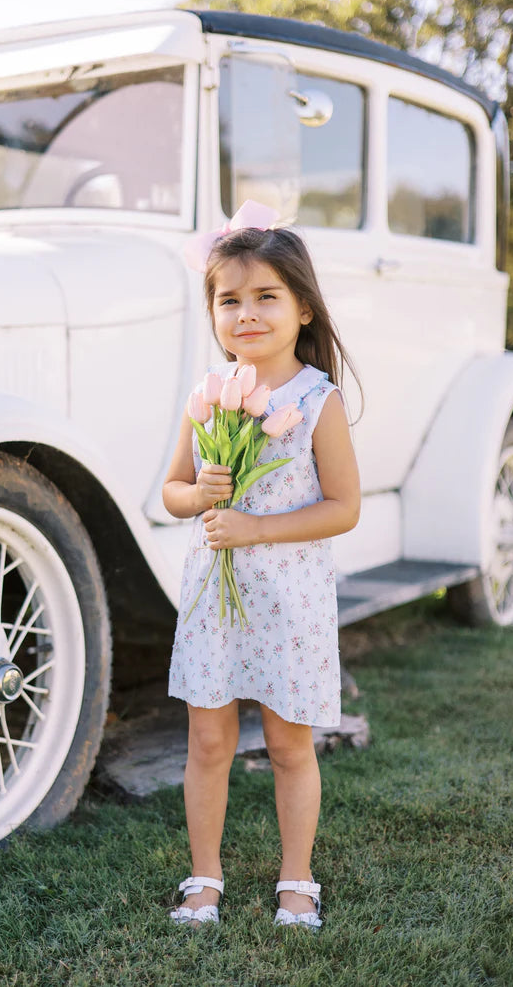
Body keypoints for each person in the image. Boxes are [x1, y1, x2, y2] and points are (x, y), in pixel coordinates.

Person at [162, 207, 362, 930]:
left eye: (266, 296)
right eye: (230, 300)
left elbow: (344, 507)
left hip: (290, 599)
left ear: (302, 306)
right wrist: (200, 496)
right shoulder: (210, 394)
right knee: (209, 740)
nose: (246, 314)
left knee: (287, 742)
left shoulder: (316, 400)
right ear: (212, 310)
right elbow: (173, 490)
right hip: (216, 598)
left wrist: (257, 527)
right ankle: (204, 875)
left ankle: (297, 878)